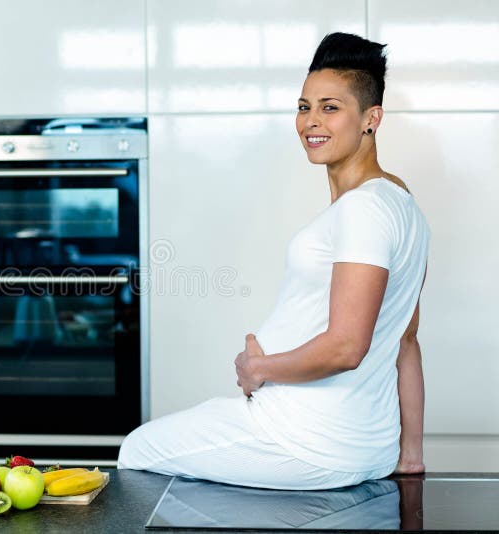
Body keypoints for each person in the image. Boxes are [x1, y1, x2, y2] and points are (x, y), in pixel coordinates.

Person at [117, 32, 430, 490]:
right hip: (352, 441)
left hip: (306, 439)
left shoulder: (365, 209)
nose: (311, 122)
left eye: (330, 106)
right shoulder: (400, 202)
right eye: (304, 107)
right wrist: (410, 456)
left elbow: (347, 347)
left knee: (138, 451)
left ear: (371, 118)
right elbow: (406, 341)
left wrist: (258, 368)